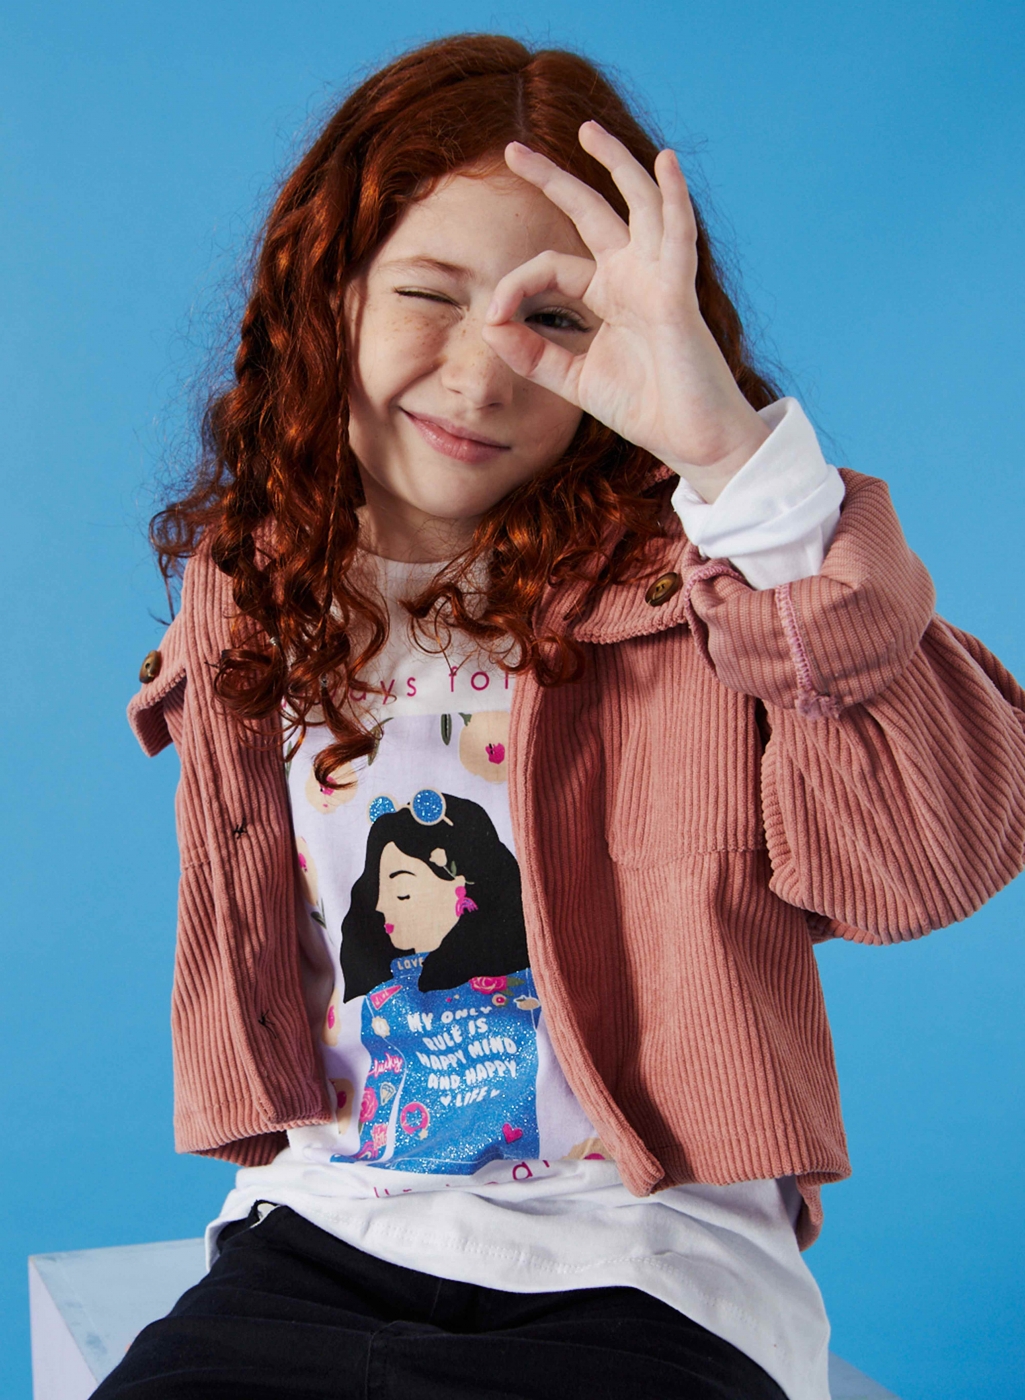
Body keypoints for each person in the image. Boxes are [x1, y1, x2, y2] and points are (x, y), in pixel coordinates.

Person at [100, 31, 1025, 1400]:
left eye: (557, 320)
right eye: (428, 293)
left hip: (651, 1259)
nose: (483, 378)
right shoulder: (252, 588)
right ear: (327, 292)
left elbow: (919, 867)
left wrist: (734, 462)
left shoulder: (708, 580)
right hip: (326, 1234)